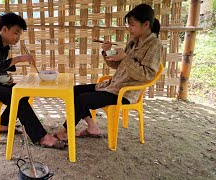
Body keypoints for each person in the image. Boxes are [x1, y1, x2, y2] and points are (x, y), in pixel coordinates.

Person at [54, 4, 162, 141]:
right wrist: (107, 51)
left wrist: (125, 57)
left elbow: (147, 76)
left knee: (82, 100)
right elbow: (116, 64)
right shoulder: (133, 42)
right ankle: (93, 128)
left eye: (132, 25)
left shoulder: (154, 46)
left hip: (125, 92)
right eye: (128, 24)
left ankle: (65, 131)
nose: (129, 28)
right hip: (112, 86)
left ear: (146, 24)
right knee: (74, 91)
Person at [0, 12, 66, 149]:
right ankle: (42, 137)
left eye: (19, 34)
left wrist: (6, 77)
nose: (18, 37)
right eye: (16, 33)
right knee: (15, 96)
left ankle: (3, 124)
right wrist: (19, 59)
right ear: (4, 29)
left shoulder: (4, 46)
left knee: (23, 92)